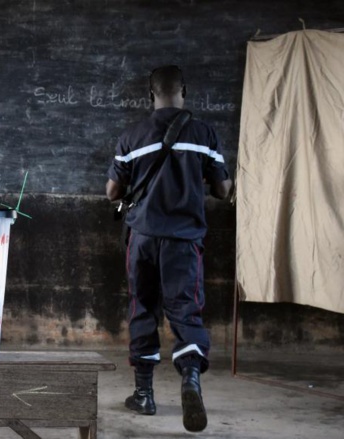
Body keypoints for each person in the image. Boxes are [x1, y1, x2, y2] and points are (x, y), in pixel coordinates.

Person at [105, 65, 232, 432]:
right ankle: (190, 380)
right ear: (184, 91)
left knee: (142, 308)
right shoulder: (204, 134)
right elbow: (223, 190)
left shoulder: (132, 135)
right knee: (185, 312)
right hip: (184, 240)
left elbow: (112, 192)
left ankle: (144, 396)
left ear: (150, 95)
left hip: (142, 239)